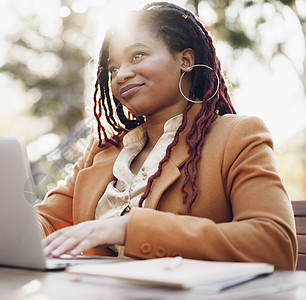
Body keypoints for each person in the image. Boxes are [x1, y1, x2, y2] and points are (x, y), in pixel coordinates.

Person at [35, 2, 297, 270]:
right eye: (113, 69)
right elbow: (47, 220)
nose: (121, 75)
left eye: (137, 55)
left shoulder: (237, 136)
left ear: (185, 60)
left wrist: (132, 229)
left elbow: (274, 244)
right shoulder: (105, 149)